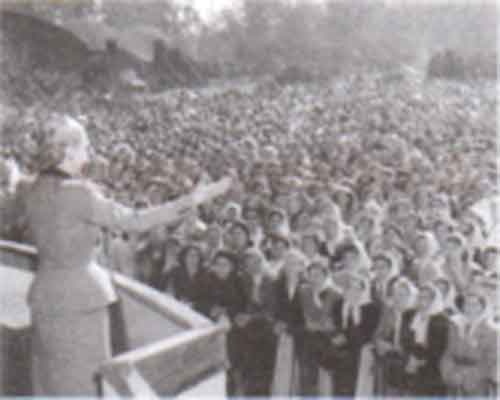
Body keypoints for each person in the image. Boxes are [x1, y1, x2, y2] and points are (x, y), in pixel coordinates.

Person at [23, 115, 231, 396]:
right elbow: (135, 220)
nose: (89, 150)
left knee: (51, 381)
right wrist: (192, 199)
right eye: (85, 144)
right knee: (84, 382)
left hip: (44, 295)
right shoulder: (78, 193)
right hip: (81, 300)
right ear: (68, 151)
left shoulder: (32, 189)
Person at [400, 284, 449, 396]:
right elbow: (404, 340)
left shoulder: (441, 319)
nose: (422, 301)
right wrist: (410, 358)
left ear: (434, 300)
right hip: (410, 358)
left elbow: (439, 347)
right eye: (420, 297)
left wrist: (420, 361)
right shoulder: (409, 315)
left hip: (432, 362)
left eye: (426, 298)